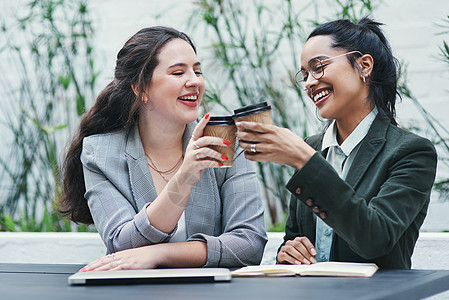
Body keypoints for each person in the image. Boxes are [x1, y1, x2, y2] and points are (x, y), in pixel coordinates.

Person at [58, 26, 267, 271]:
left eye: (197, 71)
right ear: (141, 88)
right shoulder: (101, 153)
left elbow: (249, 244)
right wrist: (184, 178)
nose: (195, 81)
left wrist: (160, 253)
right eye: (178, 72)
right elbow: (121, 243)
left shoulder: (223, 142)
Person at [235, 17, 437, 269]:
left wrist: (304, 159)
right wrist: (289, 252)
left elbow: (375, 238)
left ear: (364, 65)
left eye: (318, 67)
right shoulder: (312, 147)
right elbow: (294, 240)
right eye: (305, 74)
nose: (309, 83)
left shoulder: (411, 152)